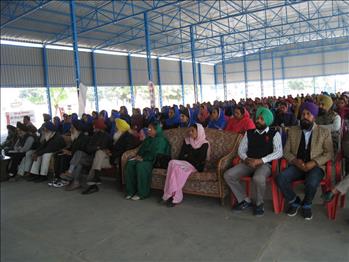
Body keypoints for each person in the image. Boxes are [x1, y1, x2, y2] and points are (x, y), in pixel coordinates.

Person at [276, 102, 333, 220]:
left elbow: (329, 153)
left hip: (315, 166)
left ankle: (307, 204)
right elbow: (286, 152)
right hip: (298, 165)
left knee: (311, 182)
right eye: (303, 114)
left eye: (308, 114)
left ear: (314, 117)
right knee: (281, 177)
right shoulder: (293, 130)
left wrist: (314, 162)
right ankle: (294, 200)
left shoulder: (324, 132)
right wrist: (295, 161)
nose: (305, 116)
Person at [224, 107, 283, 216]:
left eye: (261, 119)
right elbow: (241, 150)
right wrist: (246, 159)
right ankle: (244, 199)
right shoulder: (249, 133)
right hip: (248, 163)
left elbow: (279, 152)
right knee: (228, 175)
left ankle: (259, 203)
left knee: (258, 178)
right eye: (257, 118)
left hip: (264, 165)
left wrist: (261, 160)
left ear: (267, 121)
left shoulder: (274, 134)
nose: (258, 121)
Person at [161, 123, 209, 207]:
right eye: (189, 130)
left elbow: (200, 160)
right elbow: (181, 155)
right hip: (184, 163)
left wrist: (188, 155)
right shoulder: (187, 140)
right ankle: (172, 195)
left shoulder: (204, 144)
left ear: (199, 132)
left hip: (195, 166)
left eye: (192, 131)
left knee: (175, 167)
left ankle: (172, 196)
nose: (190, 133)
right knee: (172, 163)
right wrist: (190, 156)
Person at [125, 122, 171, 200]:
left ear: (156, 130)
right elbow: (141, 149)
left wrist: (144, 159)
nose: (148, 130)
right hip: (144, 158)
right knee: (130, 163)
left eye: (150, 129)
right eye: (148, 128)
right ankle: (131, 191)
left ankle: (142, 193)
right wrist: (138, 156)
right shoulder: (148, 139)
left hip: (154, 160)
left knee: (141, 166)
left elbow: (158, 154)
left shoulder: (161, 140)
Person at [81, 118, 113, 194]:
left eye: (94, 126)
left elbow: (106, 148)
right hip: (96, 157)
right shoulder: (94, 135)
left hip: (105, 158)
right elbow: (88, 148)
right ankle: (95, 179)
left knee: (99, 153)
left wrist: (98, 148)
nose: (93, 127)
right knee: (97, 154)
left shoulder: (107, 136)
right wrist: (97, 147)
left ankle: (93, 181)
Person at [55, 120, 89, 190]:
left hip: (86, 158)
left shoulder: (84, 138)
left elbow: (82, 150)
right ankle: (60, 177)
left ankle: (70, 175)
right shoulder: (76, 137)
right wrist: (66, 150)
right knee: (61, 155)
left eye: (72, 128)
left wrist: (70, 152)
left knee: (78, 156)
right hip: (77, 158)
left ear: (77, 129)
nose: (70, 129)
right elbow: (72, 148)